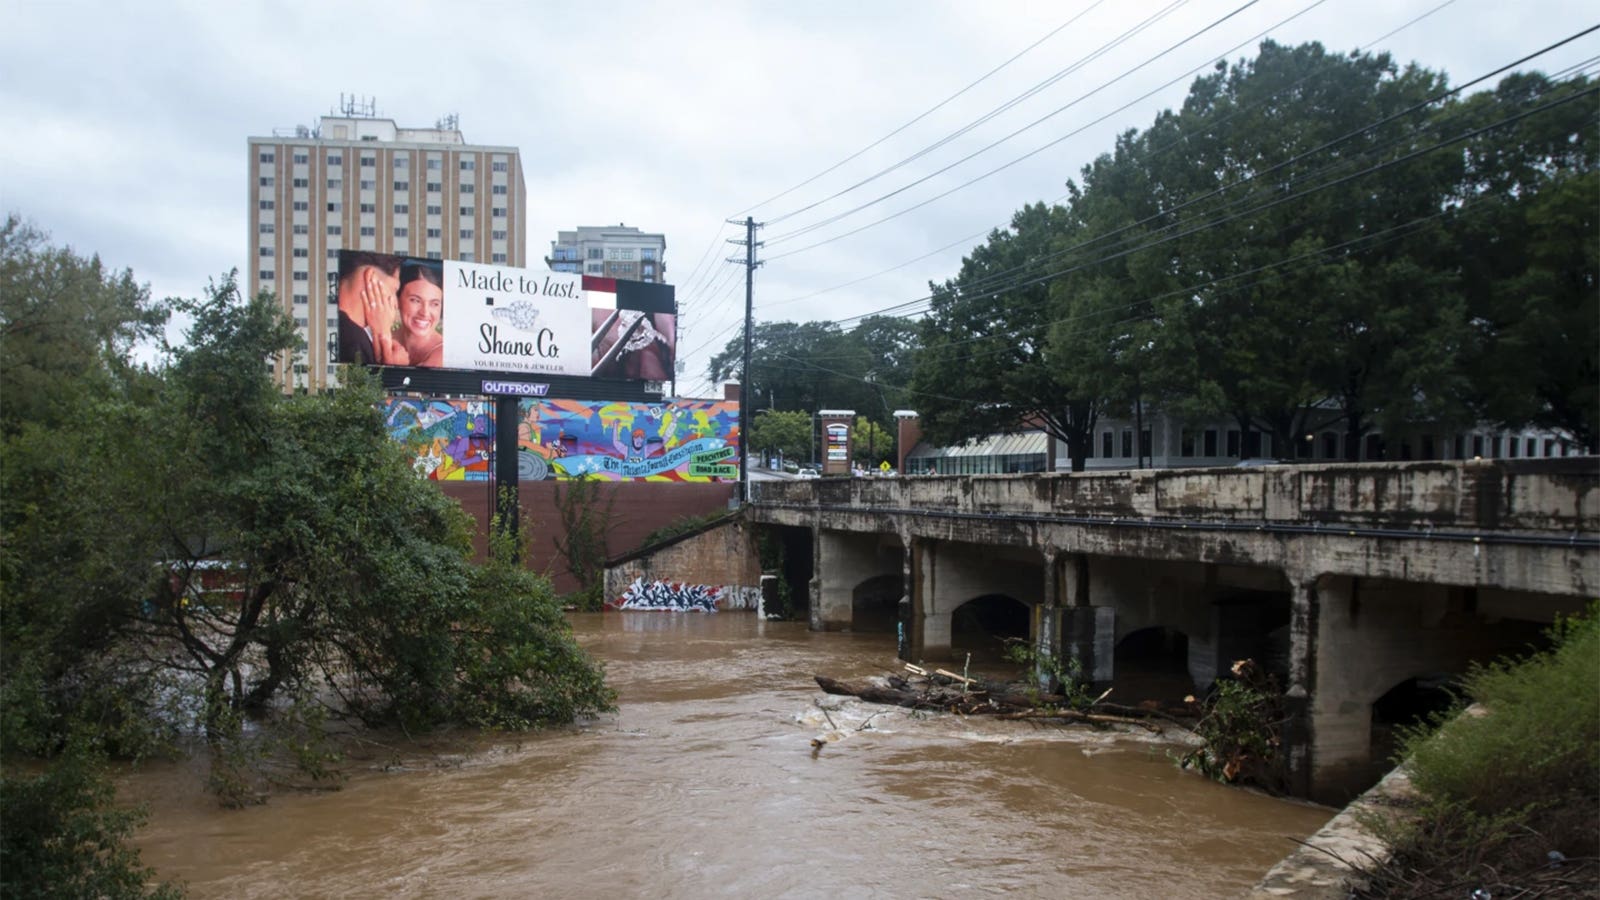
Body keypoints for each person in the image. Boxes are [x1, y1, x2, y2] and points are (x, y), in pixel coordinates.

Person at [334, 252, 403, 365]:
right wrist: (391, 362)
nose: (396, 304)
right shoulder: (355, 342)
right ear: (371, 278)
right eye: (394, 289)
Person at [395, 262, 445, 368]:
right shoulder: (377, 340)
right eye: (415, 300)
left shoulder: (447, 353)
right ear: (397, 300)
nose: (425, 313)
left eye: (434, 304)